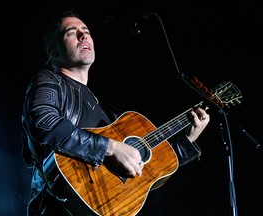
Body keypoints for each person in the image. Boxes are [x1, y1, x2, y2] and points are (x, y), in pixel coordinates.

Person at [21, 10, 210, 216]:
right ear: (53, 50)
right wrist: (109, 148)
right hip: (57, 206)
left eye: (86, 31)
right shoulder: (50, 80)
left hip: (104, 206)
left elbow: (147, 170)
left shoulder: (102, 108)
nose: (83, 36)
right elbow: (44, 122)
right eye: (71, 32)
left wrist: (188, 139)